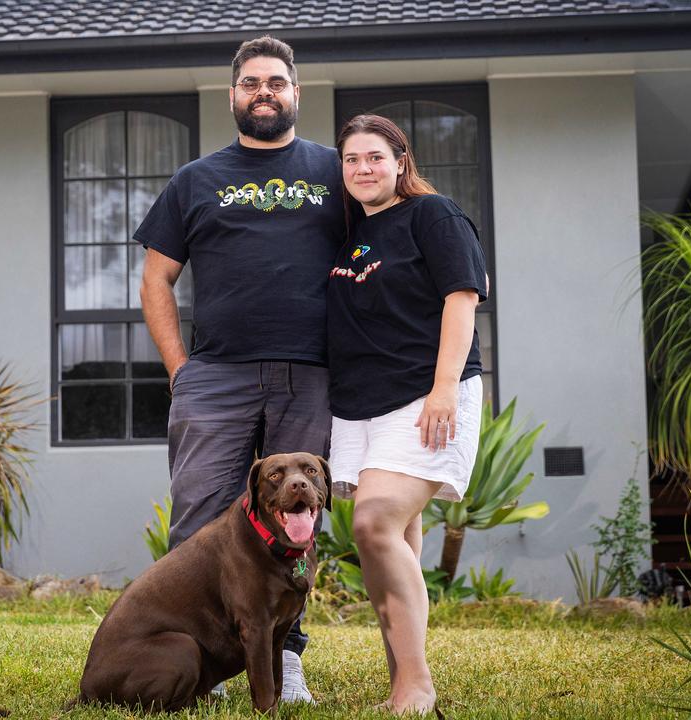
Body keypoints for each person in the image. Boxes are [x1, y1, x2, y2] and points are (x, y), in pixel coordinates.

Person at [134, 36, 345, 704]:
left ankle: (285, 661)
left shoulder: (336, 173)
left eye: (276, 82)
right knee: (198, 518)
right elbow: (156, 280)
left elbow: (379, 257)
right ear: (232, 95)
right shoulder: (195, 180)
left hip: (309, 372)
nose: (264, 92)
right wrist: (180, 372)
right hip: (216, 375)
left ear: (295, 94)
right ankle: (204, 659)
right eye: (251, 82)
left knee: (299, 519)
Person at [326, 114, 488, 715]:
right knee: (394, 543)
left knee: (372, 523)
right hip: (357, 407)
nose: (363, 169)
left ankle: (417, 683)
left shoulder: (433, 214)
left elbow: (462, 297)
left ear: (400, 161)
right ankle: (402, 682)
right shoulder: (351, 235)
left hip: (423, 397)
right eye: (351, 160)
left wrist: (444, 387)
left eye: (374, 157)